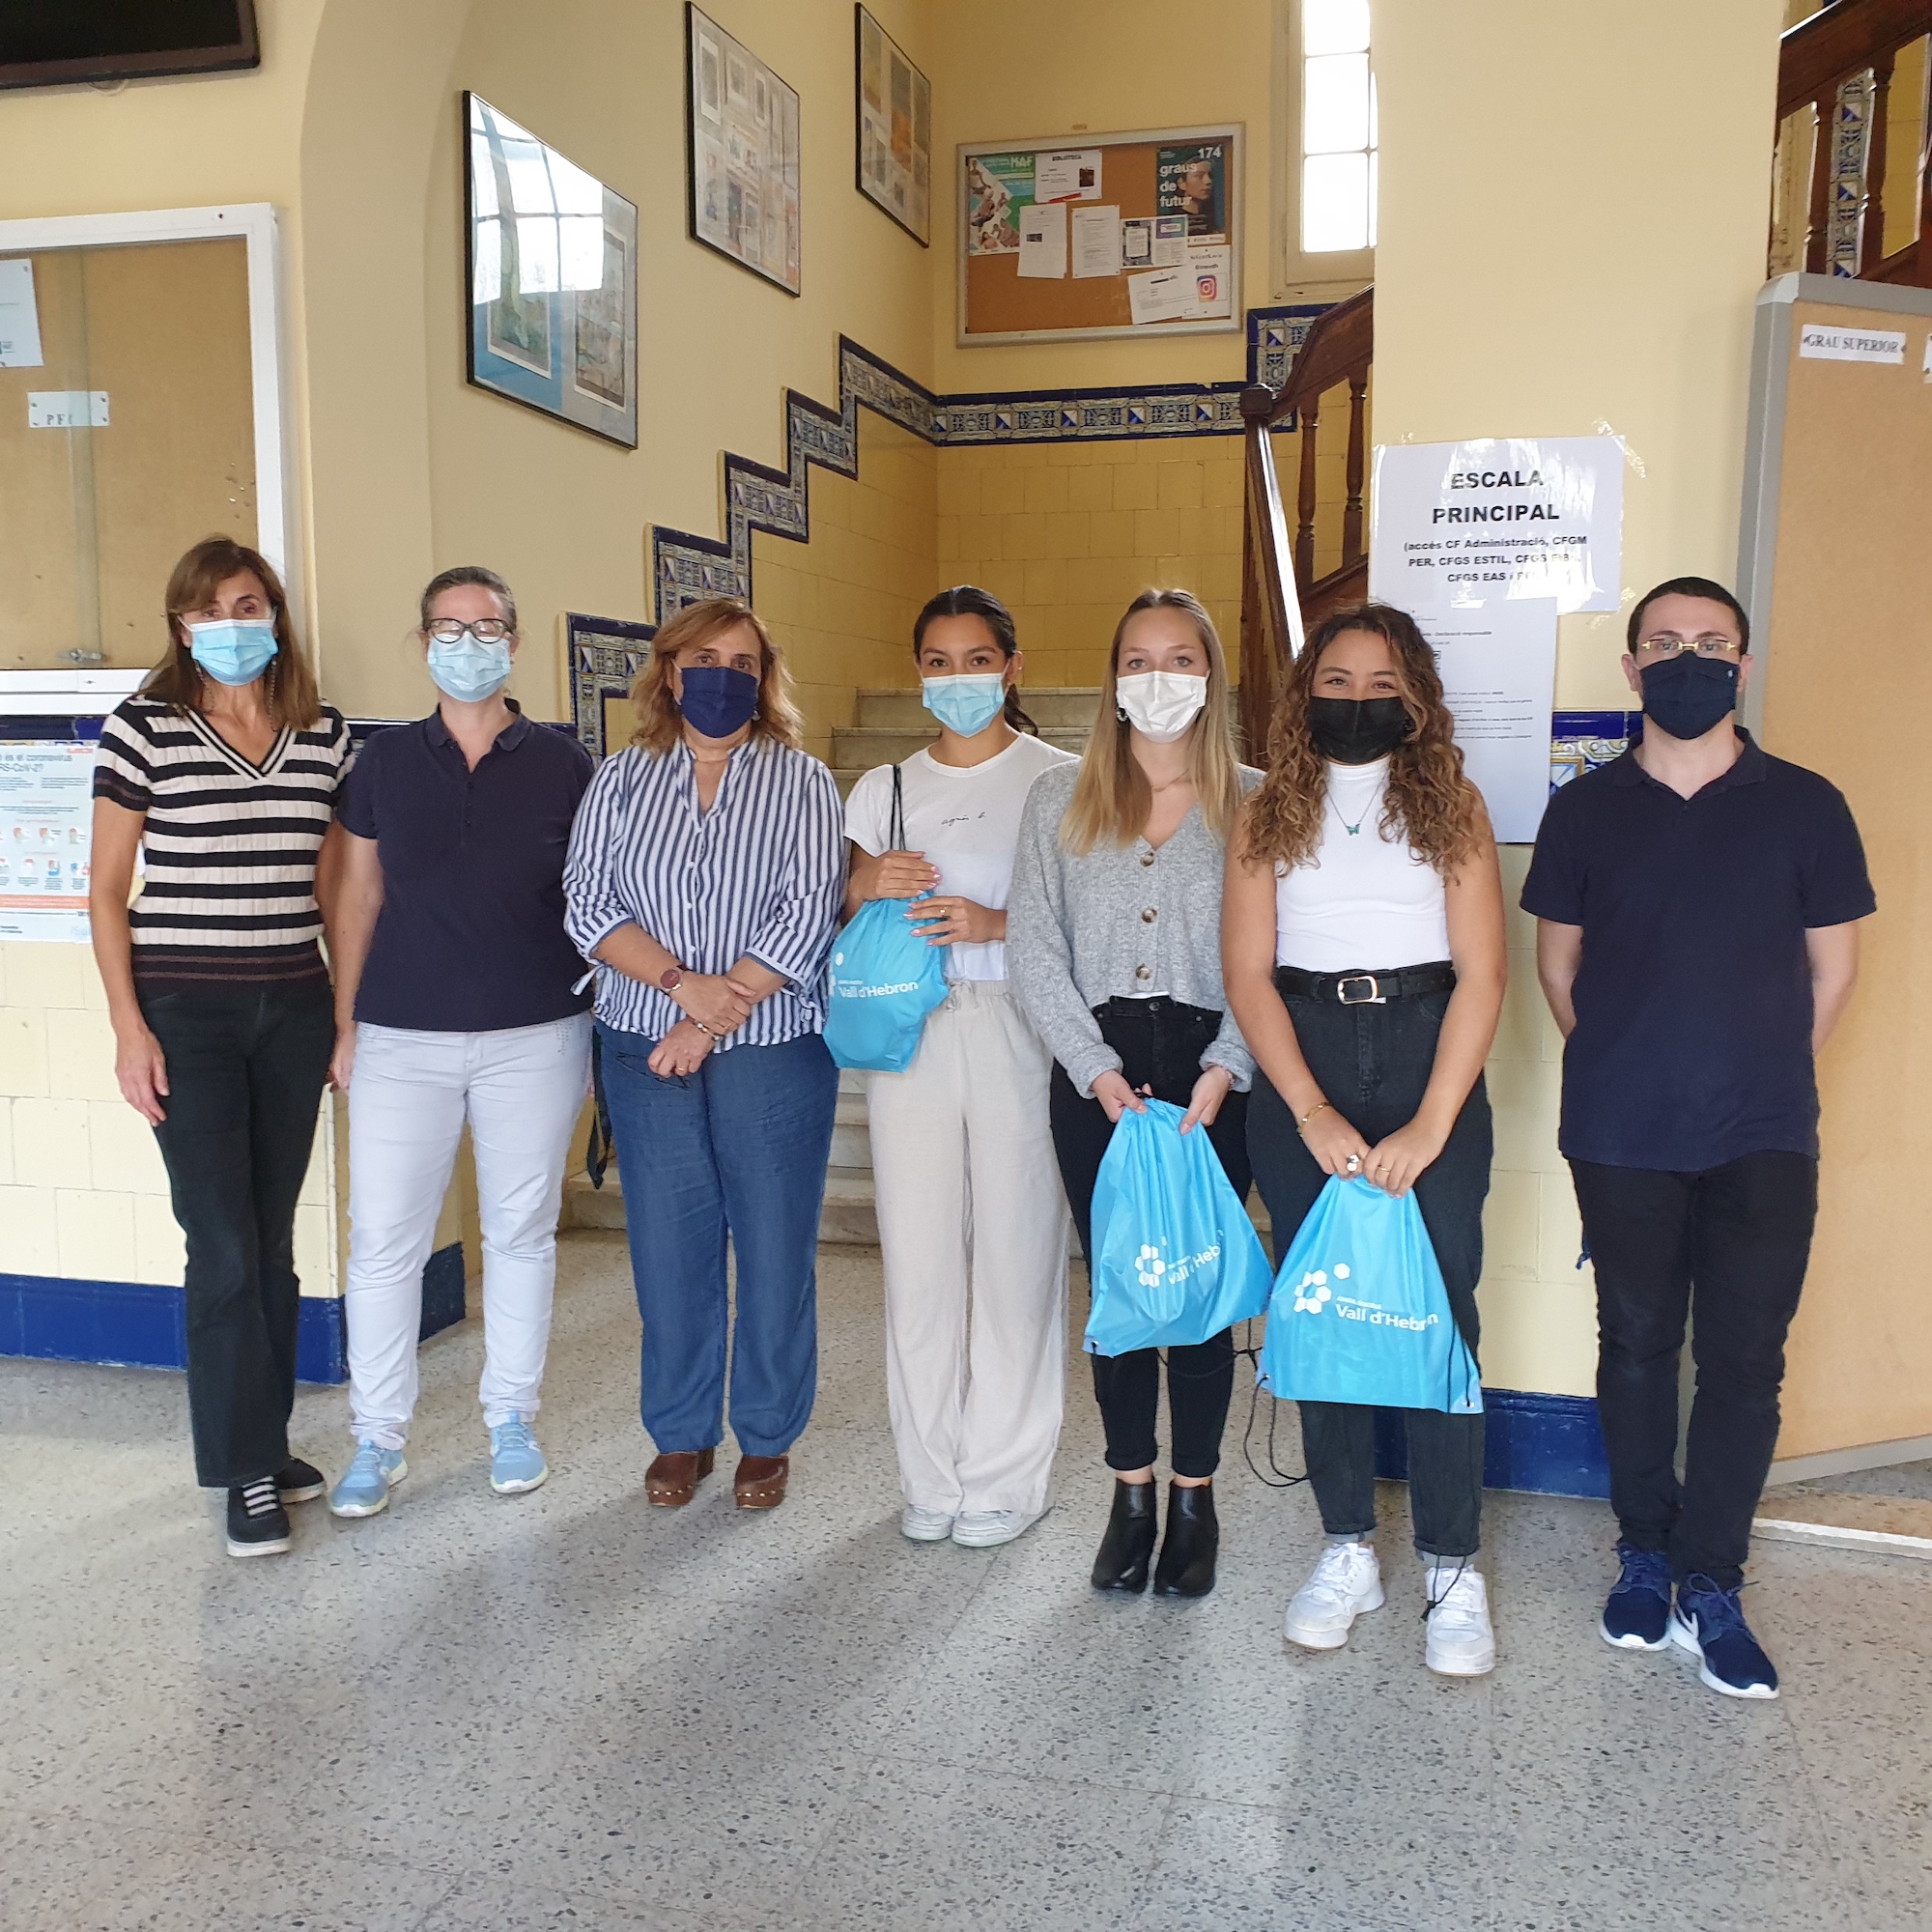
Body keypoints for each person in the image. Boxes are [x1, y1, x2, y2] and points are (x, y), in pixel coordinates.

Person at [1522, 576, 1871, 1700]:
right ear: (1630, 668)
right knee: (1632, 1342)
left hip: (1761, 1133)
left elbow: (1832, 973)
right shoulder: (1583, 810)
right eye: (1663, 642)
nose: (1687, 659)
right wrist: (1636, 1061)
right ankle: (1642, 1551)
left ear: (1741, 665)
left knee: (1742, 1359)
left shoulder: (1805, 805)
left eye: (1709, 643)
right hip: (1618, 1130)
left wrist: (1747, 1068)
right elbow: (1557, 970)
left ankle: (1710, 1577)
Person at [1223, 603, 1507, 1676]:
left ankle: (1450, 1562)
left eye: (1381, 684)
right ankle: (1347, 1545)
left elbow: (1484, 972)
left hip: (1430, 1053)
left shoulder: (1453, 804)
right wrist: (1309, 1108)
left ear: (1415, 697)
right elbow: (1247, 974)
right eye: (1335, 682)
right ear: (1304, 694)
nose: (1356, 701)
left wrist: (1431, 1122)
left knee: (1441, 1306)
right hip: (1306, 1061)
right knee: (1325, 1307)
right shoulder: (1265, 811)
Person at [89, 535, 352, 1558]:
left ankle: (265, 1441)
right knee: (224, 1243)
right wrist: (129, 1028)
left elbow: (334, 885)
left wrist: (344, 1013)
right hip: (184, 1012)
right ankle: (242, 1468)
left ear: (274, 613)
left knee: (271, 1239)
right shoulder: (144, 727)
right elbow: (106, 890)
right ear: (181, 624)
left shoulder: (323, 734)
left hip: (292, 1003)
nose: (230, 624)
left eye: (248, 605)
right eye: (208, 609)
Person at [323, 567, 596, 1519]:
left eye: (485, 627)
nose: (466, 643)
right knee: (382, 1240)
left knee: (520, 1234)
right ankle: (377, 1436)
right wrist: (345, 1022)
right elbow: (356, 895)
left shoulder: (564, 762)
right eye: (447, 627)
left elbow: (594, 899)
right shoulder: (385, 763)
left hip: (537, 1033)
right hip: (400, 1036)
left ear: (513, 643)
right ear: (424, 641)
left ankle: (511, 1420)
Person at [563, 598, 842, 1513]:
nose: (724, 676)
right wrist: (683, 989)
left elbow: (807, 910)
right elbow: (587, 904)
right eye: (705, 659)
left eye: (744, 663)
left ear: (764, 680)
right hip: (645, 1040)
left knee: (773, 1246)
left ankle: (767, 1434)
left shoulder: (802, 781)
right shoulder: (620, 778)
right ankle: (681, 1431)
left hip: (773, 1045)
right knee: (669, 1245)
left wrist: (712, 1017)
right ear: (670, 671)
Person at [1008, 586, 1258, 1599]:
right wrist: (1092, 1067)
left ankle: (1195, 1499)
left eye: (1181, 659)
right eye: (1139, 660)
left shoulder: (1257, 800)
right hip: (1097, 1071)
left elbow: (1274, 955)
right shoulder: (1057, 799)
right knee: (1118, 1289)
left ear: (1210, 676)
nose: (1160, 678)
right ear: (1113, 679)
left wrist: (1228, 1064)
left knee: (1195, 1294)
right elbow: (1034, 948)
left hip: (1213, 1073)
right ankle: (1130, 1494)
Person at [845, 586, 1077, 1548]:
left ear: (1011, 668)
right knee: (919, 1256)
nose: (957, 678)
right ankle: (930, 1474)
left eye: (977, 660)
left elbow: (1093, 922)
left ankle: (1005, 1478)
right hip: (913, 1031)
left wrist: (996, 924)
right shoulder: (884, 787)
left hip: (1018, 1023)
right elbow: (841, 904)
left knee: (1019, 1252)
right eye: (938, 662)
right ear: (918, 672)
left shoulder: (1061, 780)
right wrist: (867, 881)